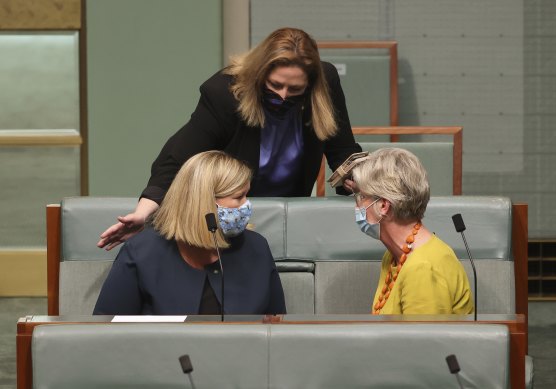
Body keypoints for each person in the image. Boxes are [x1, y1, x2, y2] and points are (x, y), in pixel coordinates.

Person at [98, 27, 361, 250]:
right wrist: (143, 213)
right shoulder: (225, 93)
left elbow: (343, 151)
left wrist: (360, 180)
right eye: (275, 87)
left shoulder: (325, 83)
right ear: (259, 75)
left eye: (295, 90)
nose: (282, 97)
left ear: (311, 85)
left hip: (291, 213)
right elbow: (175, 159)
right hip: (232, 215)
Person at [93, 151, 286, 315]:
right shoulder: (142, 251)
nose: (247, 205)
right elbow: (108, 330)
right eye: (238, 197)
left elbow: (277, 328)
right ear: (204, 203)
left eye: (247, 195)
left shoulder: (257, 248)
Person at [351, 148, 474, 315]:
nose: (357, 205)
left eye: (361, 197)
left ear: (383, 206)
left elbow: (421, 341)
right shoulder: (395, 256)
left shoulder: (422, 269)